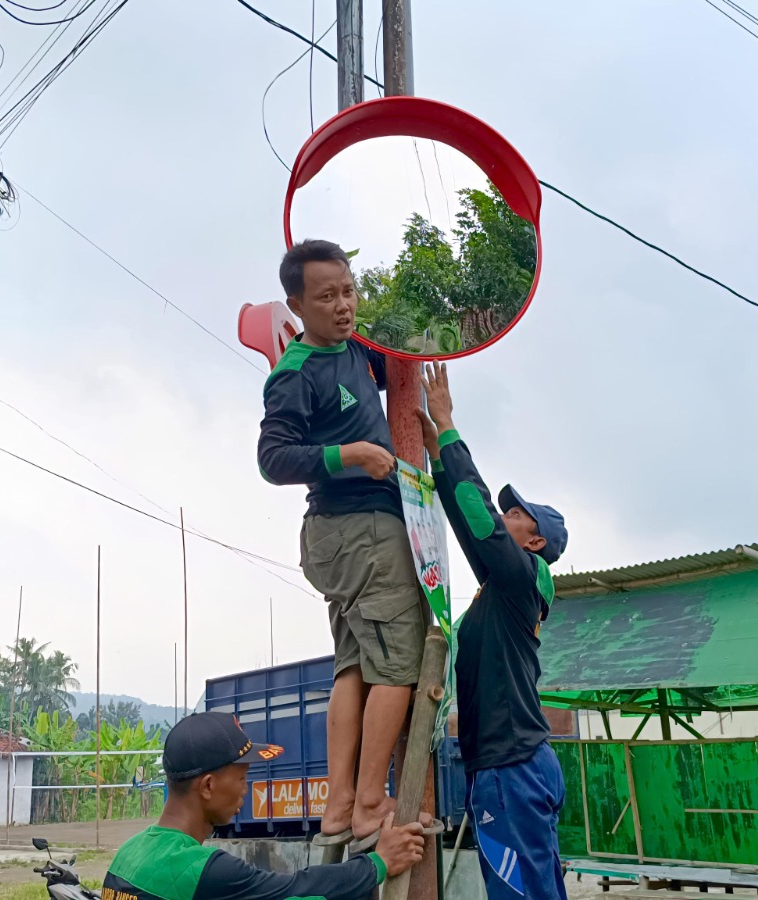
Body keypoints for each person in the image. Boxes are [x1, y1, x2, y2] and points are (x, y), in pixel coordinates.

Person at [256, 239, 431, 847]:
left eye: (349, 291)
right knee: (398, 668)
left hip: (350, 539)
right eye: (326, 296)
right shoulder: (295, 372)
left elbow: (404, 357)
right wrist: (349, 453)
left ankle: (336, 809)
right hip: (356, 529)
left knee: (354, 667)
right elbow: (272, 458)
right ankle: (368, 802)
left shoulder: (358, 351)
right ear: (297, 304)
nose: (343, 305)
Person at [417, 362, 571, 900]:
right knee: (540, 886)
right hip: (522, 765)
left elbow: (480, 519)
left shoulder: (521, 579)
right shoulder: (509, 588)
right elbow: (475, 527)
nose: (505, 514)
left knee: (517, 892)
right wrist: (439, 461)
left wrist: (448, 426)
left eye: (516, 514)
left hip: (512, 768)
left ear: (533, 545)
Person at [101, 712, 427, 900]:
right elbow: (296, 891)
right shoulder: (205, 871)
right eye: (241, 778)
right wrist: (378, 862)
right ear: (208, 786)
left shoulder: (129, 852)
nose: (246, 789)